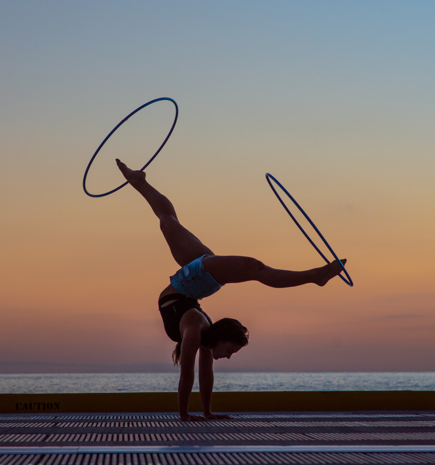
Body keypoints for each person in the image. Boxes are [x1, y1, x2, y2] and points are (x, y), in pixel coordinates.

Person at [116, 159, 346, 421]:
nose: (228, 356)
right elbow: (201, 375)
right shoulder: (201, 331)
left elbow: (192, 374)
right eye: (231, 350)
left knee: (176, 226)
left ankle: (316, 277)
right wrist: (205, 413)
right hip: (194, 283)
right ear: (221, 337)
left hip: (189, 285)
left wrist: (189, 415)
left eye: (230, 351)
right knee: (177, 227)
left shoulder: (195, 333)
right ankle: (140, 182)